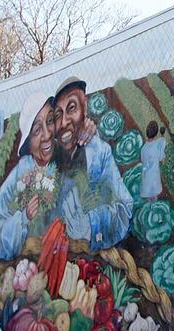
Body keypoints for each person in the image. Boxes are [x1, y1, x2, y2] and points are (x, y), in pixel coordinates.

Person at [52, 76, 133, 251]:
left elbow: (124, 209)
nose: (64, 121)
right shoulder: (51, 157)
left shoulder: (100, 152)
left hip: (94, 259)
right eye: (58, 114)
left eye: (72, 108)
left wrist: (91, 225)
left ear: (85, 109)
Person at [0, 92, 58, 260]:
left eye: (50, 121)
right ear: (28, 142)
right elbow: (0, 242)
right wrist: (24, 217)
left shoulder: (67, 158)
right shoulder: (18, 177)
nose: (47, 134)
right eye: (37, 130)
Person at [140, 121, 166, 201]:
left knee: (149, 195)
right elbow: (161, 158)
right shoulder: (156, 146)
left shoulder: (143, 148)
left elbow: (143, 161)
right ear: (156, 134)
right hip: (154, 177)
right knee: (154, 195)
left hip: (146, 177)